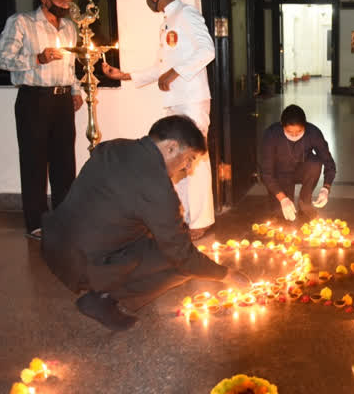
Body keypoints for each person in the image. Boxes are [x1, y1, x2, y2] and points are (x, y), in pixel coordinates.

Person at [41, 115, 228, 331]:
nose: (188, 167)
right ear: (171, 148)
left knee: (156, 237)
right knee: (183, 263)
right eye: (189, 158)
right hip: (82, 263)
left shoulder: (112, 147)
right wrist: (227, 275)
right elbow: (181, 254)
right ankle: (103, 298)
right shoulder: (157, 188)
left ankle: (107, 283)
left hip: (54, 244)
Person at [102, 0, 216, 240]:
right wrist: (126, 75)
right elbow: (161, 67)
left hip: (191, 98)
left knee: (196, 158)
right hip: (175, 100)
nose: (148, 0)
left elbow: (207, 50)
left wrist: (176, 72)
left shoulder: (186, 14)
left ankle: (202, 220)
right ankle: (186, 218)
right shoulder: (167, 23)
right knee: (178, 159)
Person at [0, 0, 84, 240]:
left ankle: (64, 218)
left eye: (69, 0)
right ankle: (36, 222)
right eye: (60, 0)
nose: (66, 5)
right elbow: (1, 59)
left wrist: (76, 91)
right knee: (34, 161)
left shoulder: (69, 26)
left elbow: (71, 65)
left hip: (62, 99)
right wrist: (37, 58)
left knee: (64, 162)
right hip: (34, 99)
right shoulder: (21, 22)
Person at [260, 104, 336, 222]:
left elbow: (329, 163)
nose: (295, 135)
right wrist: (282, 198)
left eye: (299, 131)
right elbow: (266, 173)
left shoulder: (313, 133)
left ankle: (304, 203)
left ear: (305, 126)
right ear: (282, 126)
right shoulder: (271, 135)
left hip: (302, 169)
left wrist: (326, 188)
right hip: (280, 175)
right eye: (289, 132)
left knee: (315, 163)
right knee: (281, 217)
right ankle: (282, 200)